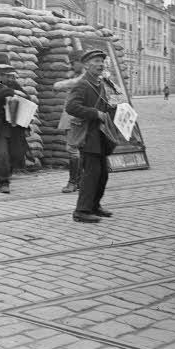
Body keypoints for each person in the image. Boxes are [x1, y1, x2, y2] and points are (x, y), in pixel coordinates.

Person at [64, 49, 119, 223]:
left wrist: (115, 108)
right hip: (88, 134)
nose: (100, 65)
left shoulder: (100, 84)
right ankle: (81, 211)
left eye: (102, 62)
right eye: (96, 61)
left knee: (103, 174)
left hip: (100, 134)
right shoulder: (82, 84)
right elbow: (71, 107)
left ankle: (94, 206)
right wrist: (94, 113)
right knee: (91, 174)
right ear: (87, 65)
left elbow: (105, 108)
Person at [0, 53, 30, 194]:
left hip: (14, 125)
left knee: (14, 154)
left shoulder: (12, 83)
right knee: (2, 153)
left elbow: (27, 96)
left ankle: (4, 173)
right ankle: (3, 182)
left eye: (6, 72)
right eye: (1, 72)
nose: (4, 75)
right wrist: (10, 92)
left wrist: (16, 93)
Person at [55, 50, 87, 193]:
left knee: (72, 149)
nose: (72, 66)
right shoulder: (80, 75)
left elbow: (71, 83)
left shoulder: (85, 77)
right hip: (76, 117)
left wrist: (58, 84)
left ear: (81, 62)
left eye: (74, 63)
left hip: (76, 118)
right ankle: (79, 181)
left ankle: (73, 182)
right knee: (78, 149)